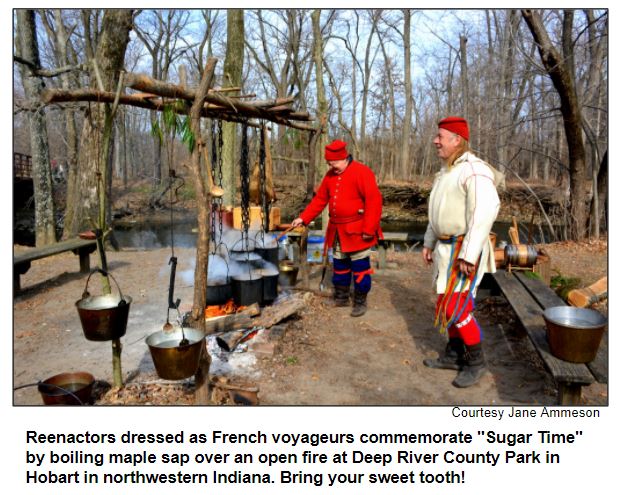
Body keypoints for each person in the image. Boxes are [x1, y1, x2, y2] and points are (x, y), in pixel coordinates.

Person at [422, 116, 501, 388]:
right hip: (446, 248)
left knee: (458, 307)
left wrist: (468, 254)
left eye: (440, 136)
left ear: (457, 140)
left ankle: (477, 362)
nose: (435, 141)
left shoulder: (475, 171)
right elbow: (437, 212)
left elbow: (484, 212)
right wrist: (428, 241)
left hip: (463, 251)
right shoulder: (446, 172)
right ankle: (454, 353)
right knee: (446, 304)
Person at [291, 140, 383, 317]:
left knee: (360, 266)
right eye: (329, 163)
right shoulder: (330, 175)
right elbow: (319, 200)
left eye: (334, 163)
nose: (332, 166)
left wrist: (369, 228)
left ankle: (360, 301)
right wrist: (303, 218)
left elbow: (374, 201)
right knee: (340, 264)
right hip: (337, 230)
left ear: (344, 158)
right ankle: (341, 297)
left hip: (358, 230)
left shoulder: (362, 172)